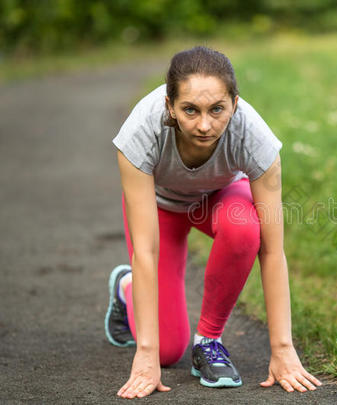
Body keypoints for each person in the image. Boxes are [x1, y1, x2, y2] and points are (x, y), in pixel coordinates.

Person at [104, 45, 323, 399]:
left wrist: (282, 349)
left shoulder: (253, 137)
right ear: (169, 107)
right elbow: (145, 251)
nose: (204, 125)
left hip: (218, 197)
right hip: (163, 207)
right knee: (166, 352)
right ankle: (126, 290)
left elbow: (272, 251)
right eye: (190, 110)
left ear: (234, 105)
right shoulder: (140, 132)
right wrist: (146, 354)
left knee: (245, 227)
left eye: (217, 110)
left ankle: (209, 341)